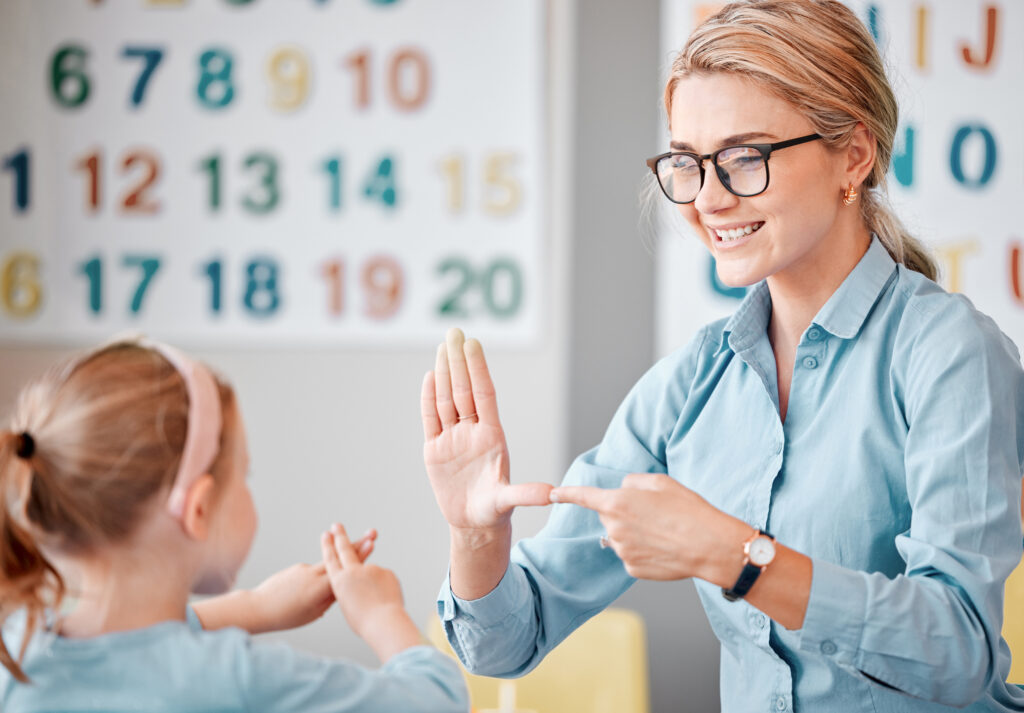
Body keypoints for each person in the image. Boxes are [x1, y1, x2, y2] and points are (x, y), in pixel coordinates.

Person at [420, 1, 1024, 709]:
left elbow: (962, 649)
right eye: (688, 162)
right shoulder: (689, 387)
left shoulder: (949, 354)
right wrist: (474, 533)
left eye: (744, 158)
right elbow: (506, 644)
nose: (707, 198)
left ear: (853, 156)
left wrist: (737, 557)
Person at [0, 338, 467, 713]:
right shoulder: (239, 681)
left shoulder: (18, 648)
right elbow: (438, 701)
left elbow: (130, 649)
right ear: (198, 509)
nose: (248, 486)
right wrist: (380, 615)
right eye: (244, 474)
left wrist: (255, 608)